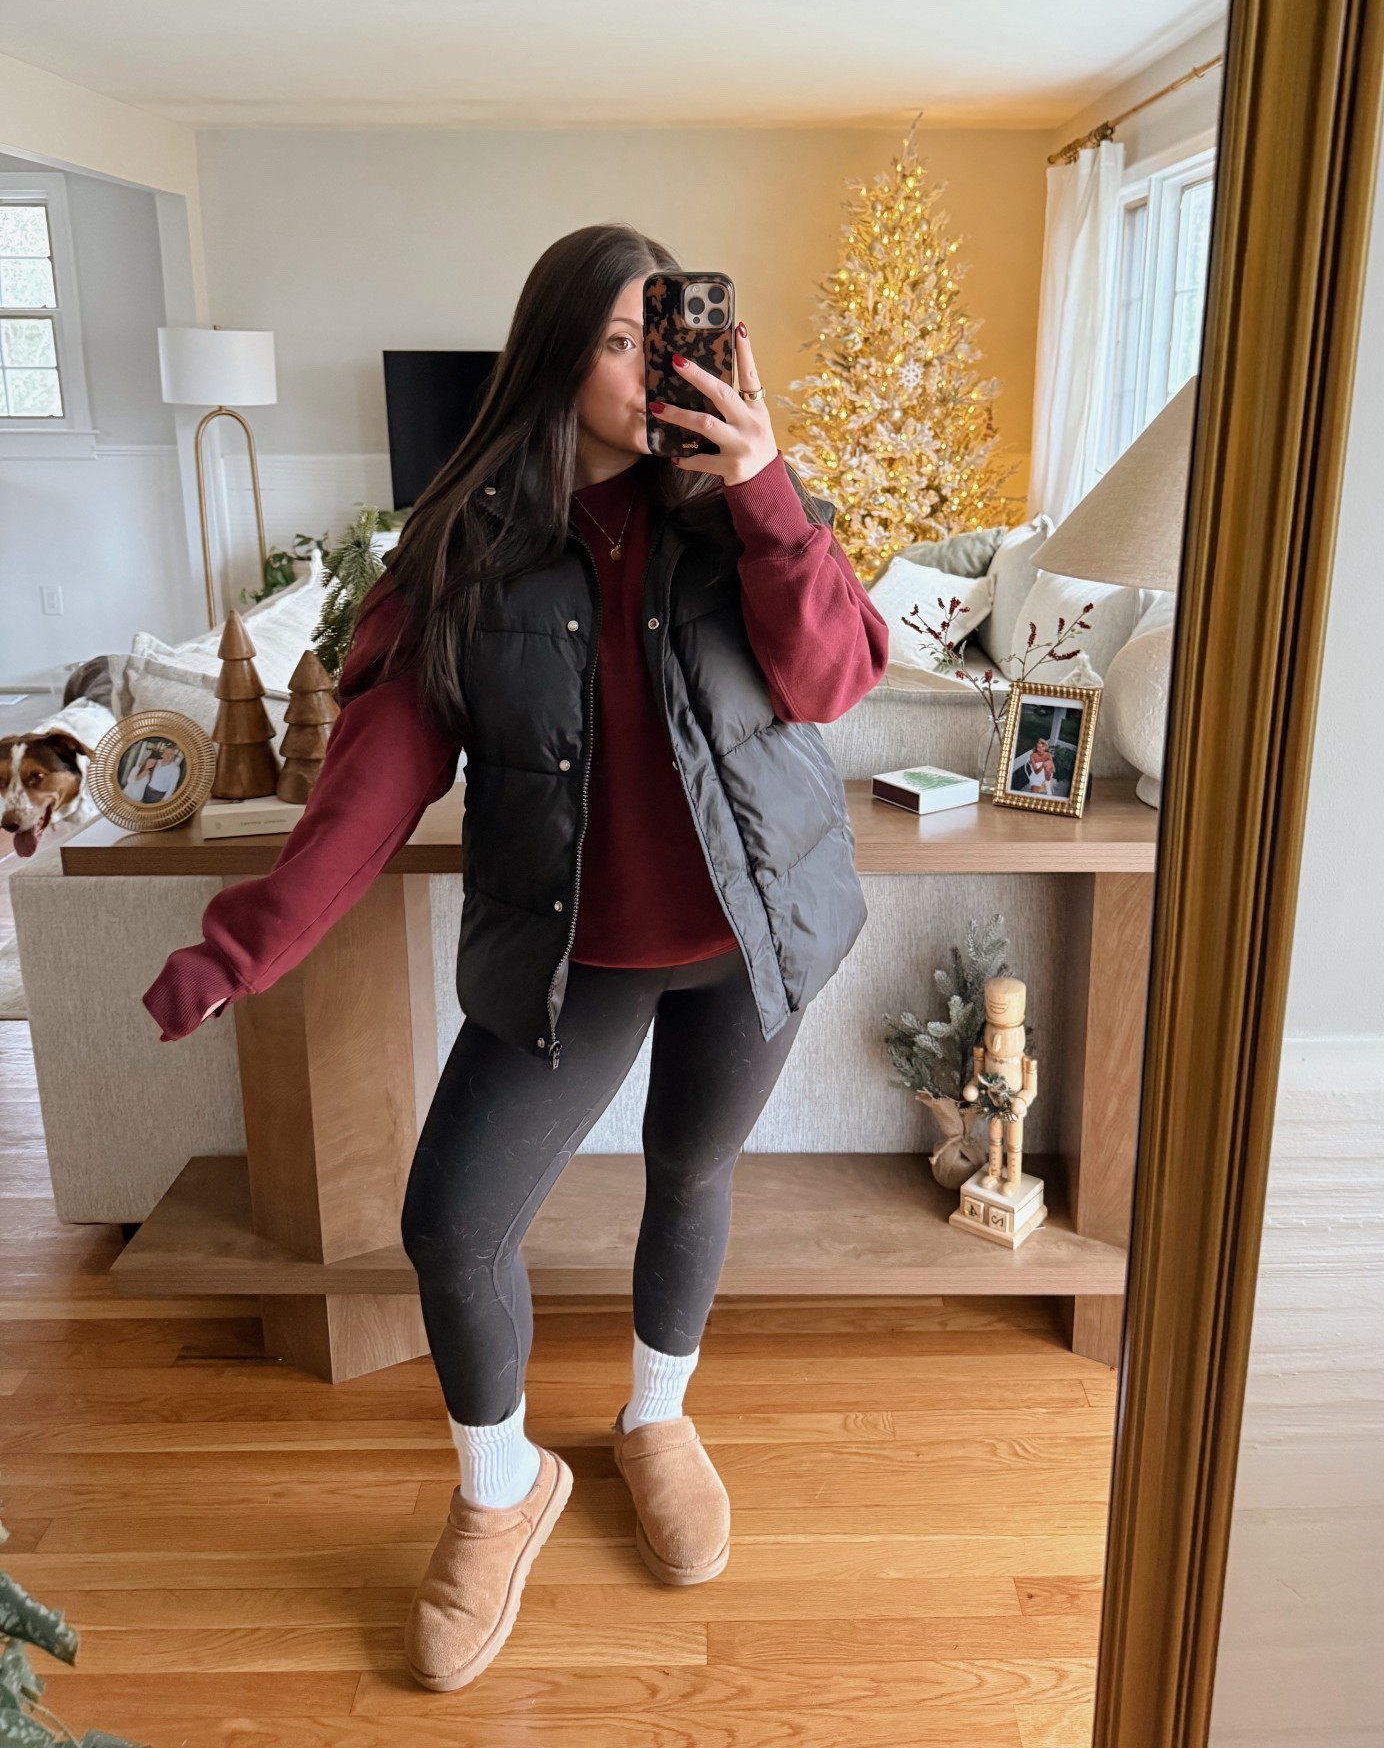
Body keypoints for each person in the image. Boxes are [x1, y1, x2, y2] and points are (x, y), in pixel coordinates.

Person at [141, 223, 889, 1695]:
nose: (650, 363)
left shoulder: (745, 513)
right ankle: (502, 1489)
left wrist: (761, 487)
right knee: (453, 1222)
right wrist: (243, 944)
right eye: (617, 338)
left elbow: (834, 680)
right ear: (553, 356)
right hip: (576, 955)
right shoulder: (461, 558)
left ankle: (657, 1419)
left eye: (666, 332)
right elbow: (371, 784)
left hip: (759, 932)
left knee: (692, 1172)